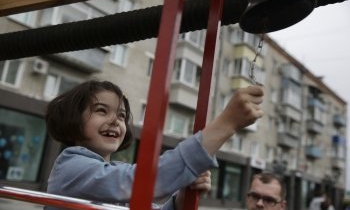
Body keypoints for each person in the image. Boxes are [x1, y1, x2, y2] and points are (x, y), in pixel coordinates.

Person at [45, 80, 264, 209]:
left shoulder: (114, 171)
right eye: (102, 110)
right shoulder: (70, 166)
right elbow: (141, 183)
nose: (115, 121)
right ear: (74, 117)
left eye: (122, 116)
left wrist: (181, 197)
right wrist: (226, 123)